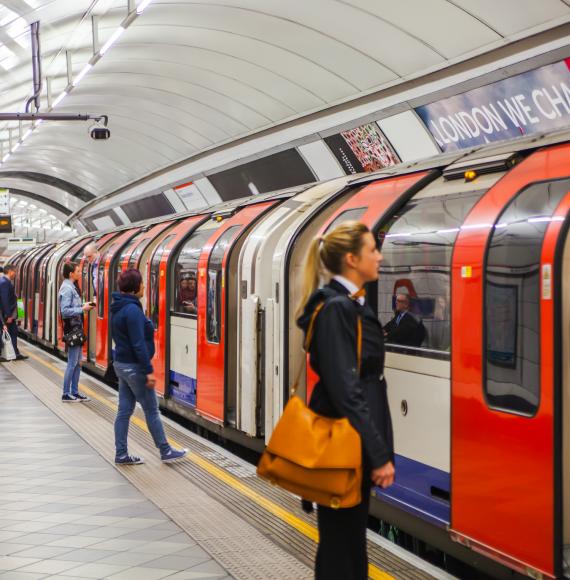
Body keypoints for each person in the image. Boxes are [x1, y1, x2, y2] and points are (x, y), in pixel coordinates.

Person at [296, 221, 395, 580]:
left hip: (347, 441)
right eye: (373, 250)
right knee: (342, 547)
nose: (379, 257)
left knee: (348, 543)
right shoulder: (339, 308)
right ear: (352, 259)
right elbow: (346, 388)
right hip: (343, 443)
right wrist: (378, 454)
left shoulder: (346, 305)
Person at [111, 268, 188, 465]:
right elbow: (138, 344)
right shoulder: (133, 311)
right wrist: (148, 371)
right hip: (135, 367)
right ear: (135, 287)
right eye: (142, 283)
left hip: (121, 364)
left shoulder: (118, 307)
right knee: (151, 410)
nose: (144, 286)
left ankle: (121, 454)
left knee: (124, 410)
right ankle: (165, 450)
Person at [59, 262, 94, 402]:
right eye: (78, 271)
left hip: (77, 328)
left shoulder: (71, 287)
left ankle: (75, 391)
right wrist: (82, 309)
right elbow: (65, 311)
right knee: (72, 363)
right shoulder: (67, 288)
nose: (80, 273)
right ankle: (66, 393)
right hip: (72, 329)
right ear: (71, 274)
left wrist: (83, 306)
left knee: (78, 362)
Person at [0, 265, 27, 360]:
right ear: (10, 271)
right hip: (7, 315)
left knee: (12, 333)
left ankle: (15, 353)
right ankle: (13, 354)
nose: (15, 274)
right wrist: (8, 315)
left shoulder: (5, 282)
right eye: (15, 271)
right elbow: (4, 300)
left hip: (7, 314)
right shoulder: (5, 283)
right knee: (12, 333)